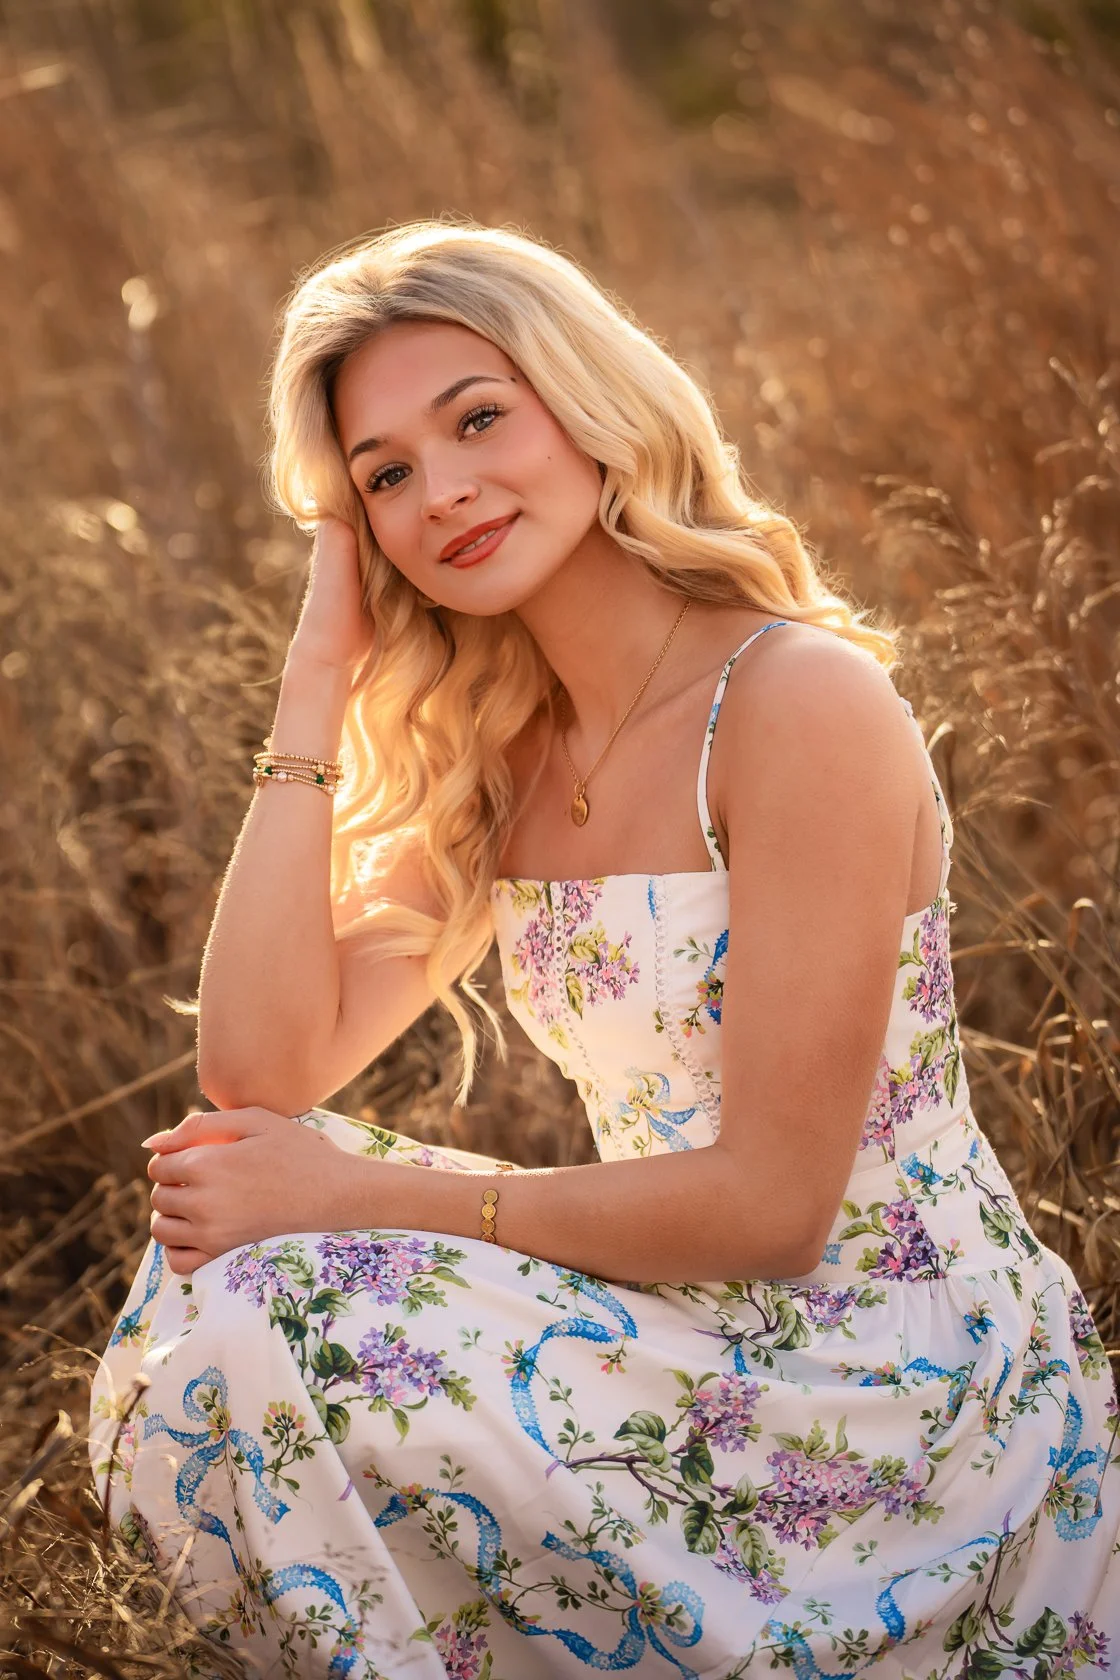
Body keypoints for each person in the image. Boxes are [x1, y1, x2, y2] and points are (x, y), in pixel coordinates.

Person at [88, 220, 1119, 1680]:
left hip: (893, 1374)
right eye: (385, 475)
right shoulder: (505, 752)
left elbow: (777, 1208)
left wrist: (359, 1190)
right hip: (674, 1322)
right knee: (224, 1254)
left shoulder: (794, 701)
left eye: (478, 420)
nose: (444, 491)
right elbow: (257, 1072)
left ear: (589, 403)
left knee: (277, 1284)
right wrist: (314, 683)